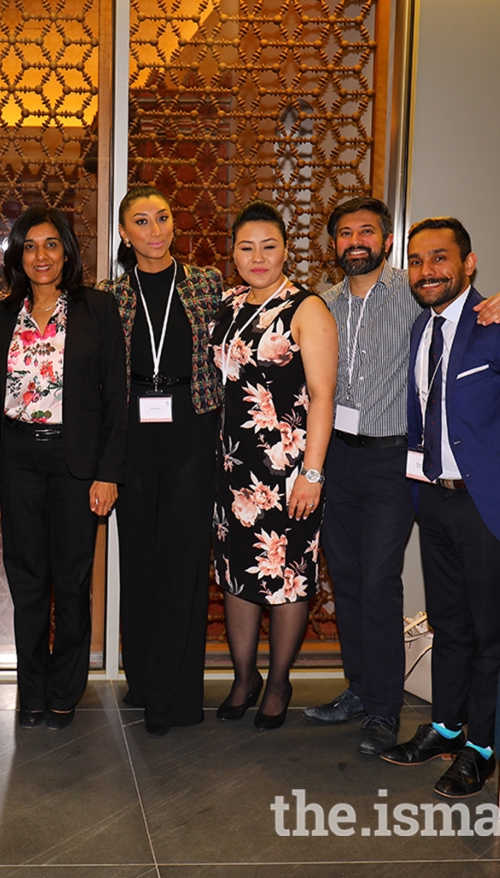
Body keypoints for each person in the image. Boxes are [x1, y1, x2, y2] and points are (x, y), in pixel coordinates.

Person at [303, 197, 500, 755]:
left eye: (367, 231)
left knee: (380, 581)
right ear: (334, 244)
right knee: (348, 581)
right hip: (336, 457)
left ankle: (384, 708)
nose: (356, 241)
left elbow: (477, 317)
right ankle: (359, 688)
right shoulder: (322, 303)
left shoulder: (414, 289)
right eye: (345, 233)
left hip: (392, 459)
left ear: (383, 239)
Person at [380, 217, 500, 798]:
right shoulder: (421, 329)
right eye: (416, 260)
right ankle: (446, 726)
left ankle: (482, 747)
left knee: (490, 635)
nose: (426, 270)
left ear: (469, 263)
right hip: (434, 500)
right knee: (450, 626)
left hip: (488, 506)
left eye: (439, 258)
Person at [0, 207, 127, 729]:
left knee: (71, 581)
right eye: (30, 246)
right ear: (18, 256)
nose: (40, 256)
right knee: (27, 581)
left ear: (67, 252)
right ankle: (32, 688)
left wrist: (108, 473)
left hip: (77, 464)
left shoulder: (97, 310)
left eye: (51, 245)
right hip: (17, 460)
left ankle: (65, 688)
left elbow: (116, 399)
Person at [97, 186, 226, 737]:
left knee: (184, 560)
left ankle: (176, 697)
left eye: (163, 218)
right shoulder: (109, 295)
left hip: (191, 428)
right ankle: (145, 679)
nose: (155, 229)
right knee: (142, 558)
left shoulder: (207, 282)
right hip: (133, 432)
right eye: (141, 221)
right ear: (124, 233)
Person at [210, 200, 338, 730]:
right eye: (246, 247)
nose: (258, 257)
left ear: (287, 249)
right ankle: (244, 677)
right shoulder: (229, 303)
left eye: (269, 246)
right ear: (234, 253)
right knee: (238, 576)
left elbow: (323, 396)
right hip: (232, 468)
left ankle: (279, 680)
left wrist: (312, 473)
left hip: (288, 473)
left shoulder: (306, 308)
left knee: (286, 577)